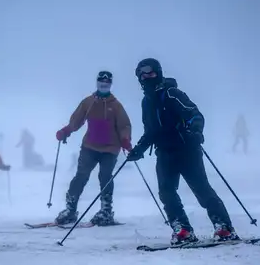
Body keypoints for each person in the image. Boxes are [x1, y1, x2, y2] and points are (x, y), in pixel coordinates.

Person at [126, 58, 239, 245]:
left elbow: (194, 114)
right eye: (142, 74)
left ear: (158, 73)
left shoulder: (172, 93)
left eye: (150, 72)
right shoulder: (146, 102)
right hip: (164, 153)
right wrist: (139, 149)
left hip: (187, 149)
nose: (146, 76)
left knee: (201, 189)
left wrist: (195, 131)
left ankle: (224, 226)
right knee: (166, 192)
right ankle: (182, 229)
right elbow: (151, 132)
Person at [55, 70, 132, 226]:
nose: (104, 85)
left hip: (110, 149)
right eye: (101, 82)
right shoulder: (88, 102)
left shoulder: (116, 106)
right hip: (89, 146)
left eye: (107, 83)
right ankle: (70, 210)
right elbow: (76, 121)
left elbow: (124, 125)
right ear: (97, 83)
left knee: (105, 177)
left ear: (110, 84)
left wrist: (125, 139)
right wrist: (66, 131)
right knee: (81, 176)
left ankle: (106, 211)